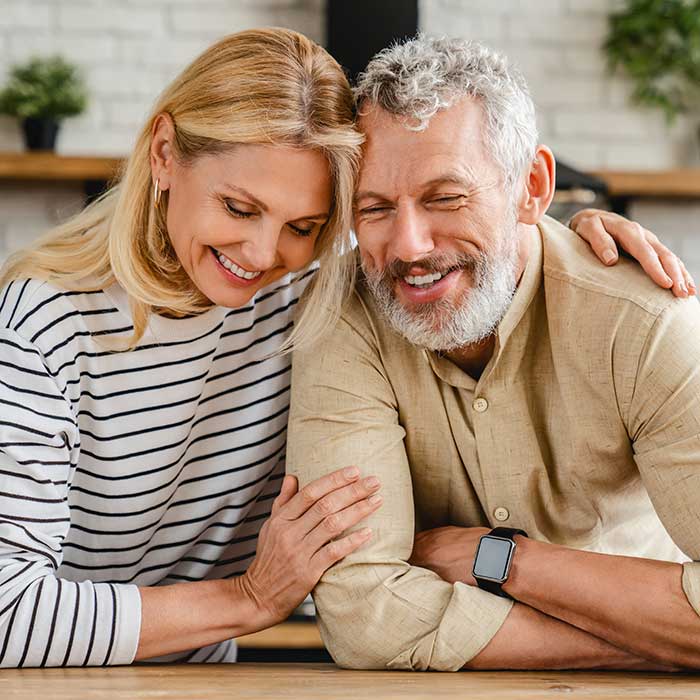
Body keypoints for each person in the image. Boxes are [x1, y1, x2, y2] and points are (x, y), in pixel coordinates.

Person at [0, 28, 686, 669]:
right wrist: (250, 599)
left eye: (305, 224)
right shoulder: (49, 321)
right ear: (162, 156)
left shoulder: (305, 290)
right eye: (238, 208)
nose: (262, 253)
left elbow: (456, 240)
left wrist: (568, 239)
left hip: (201, 679)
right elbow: (7, 612)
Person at [287, 35, 700, 672]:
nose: (409, 247)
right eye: (374, 208)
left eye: (445, 197)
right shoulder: (342, 312)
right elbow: (363, 617)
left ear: (531, 187)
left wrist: (504, 560)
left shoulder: (645, 321)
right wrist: (656, 638)